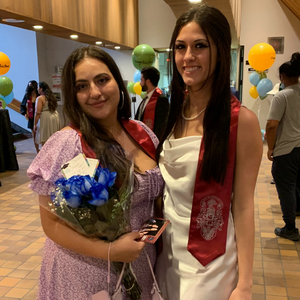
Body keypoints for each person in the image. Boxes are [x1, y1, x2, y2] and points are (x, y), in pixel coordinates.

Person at [27, 46, 164, 299]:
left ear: (117, 81)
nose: (95, 92)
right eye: (82, 86)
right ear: (72, 93)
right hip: (86, 274)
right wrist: (110, 251)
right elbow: (51, 224)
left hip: (141, 266)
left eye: (102, 80)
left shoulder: (142, 132)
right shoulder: (66, 144)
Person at [155, 4, 262, 300]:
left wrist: (246, 284)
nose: (187, 57)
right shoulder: (174, 113)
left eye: (199, 46)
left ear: (220, 51)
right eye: (180, 47)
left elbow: (243, 206)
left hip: (209, 262)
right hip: (166, 254)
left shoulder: (242, 122)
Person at [266, 52, 300, 241]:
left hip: (287, 149)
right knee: (297, 184)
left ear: (282, 76)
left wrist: (271, 148)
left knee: (286, 187)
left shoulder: (282, 96)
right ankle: (297, 211)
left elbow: (272, 125)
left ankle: (290, 228)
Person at [134, 66, 169, 140]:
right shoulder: (145, 99)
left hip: (153, 144)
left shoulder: (161, 100)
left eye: (141, 80)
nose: (140, 84)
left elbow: (161, 128)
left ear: (148, 82)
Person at [34, 81, 61, 146]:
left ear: (41, 88)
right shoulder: (52, 97)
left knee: (45, 139)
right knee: (54, 138)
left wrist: (35, 124)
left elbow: (37, 112)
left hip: (46, 118)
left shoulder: (40, 98)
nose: (37, 89)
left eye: (38, 88)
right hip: (54, 116)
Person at [20, 80, 39, 153]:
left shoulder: (39, 95)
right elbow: (22, 105)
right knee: (34, 133)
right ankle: (37, 149)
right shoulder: (27, 95)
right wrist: (24, 113)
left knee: (40, 133)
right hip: (31, 116)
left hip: (38, 115)